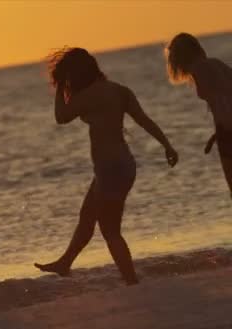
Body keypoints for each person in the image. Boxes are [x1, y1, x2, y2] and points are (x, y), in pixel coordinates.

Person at [34, 48, 178, 285]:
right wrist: (167, 146)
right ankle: (65, 263)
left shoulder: (90, 95)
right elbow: (143, 120)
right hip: (124, 164)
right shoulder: (119, 90)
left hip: (109, 169)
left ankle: (131, 280)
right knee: (87, 215)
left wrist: (60, 85)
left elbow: (61, 116)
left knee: (110, 230)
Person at [165, 32, 232, 197]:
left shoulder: (201, 69)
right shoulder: (214, 63)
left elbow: (223, 102)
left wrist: (225, 131)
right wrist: (217, 134)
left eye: (172, 57)